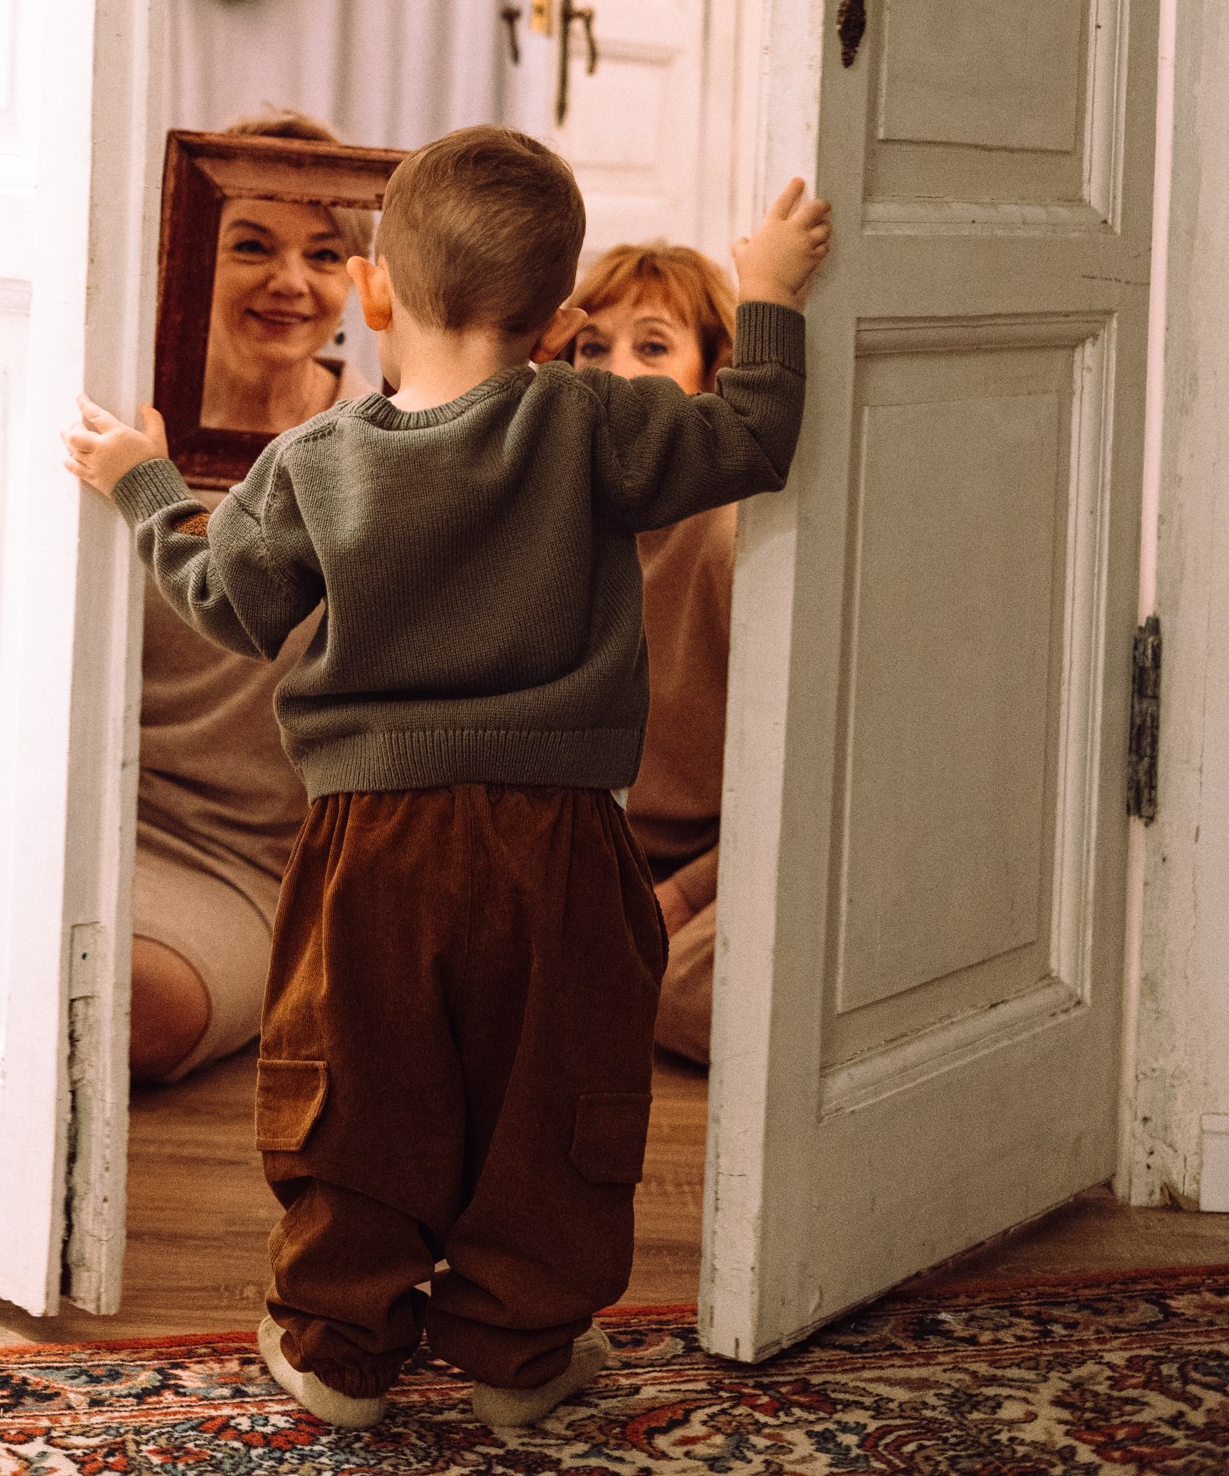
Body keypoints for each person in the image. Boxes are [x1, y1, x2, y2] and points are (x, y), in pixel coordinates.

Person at [63, 125, 831, 1430]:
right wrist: (764, 290)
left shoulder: (315, 462)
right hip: (564, 837)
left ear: (373, 291)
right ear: (566, 319)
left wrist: (143, 487)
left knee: (360, 1081)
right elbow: (753, 437)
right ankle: (518, 1351)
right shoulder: (597, 422)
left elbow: (228, 604)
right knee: (554, 1086)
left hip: (375, 841)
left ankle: (338, 1345)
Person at [132, 110, 375, 1082]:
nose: (290, 281)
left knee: (140, 1013)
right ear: (188, 252)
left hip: (250, 861)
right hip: (89, 808)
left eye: (323, 253)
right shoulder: (131, 420)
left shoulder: (385, 438)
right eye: (251, 246)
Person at [570, 242, 737, 1066]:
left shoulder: (732, 538)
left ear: (710, 376)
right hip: (597, 854)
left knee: (676, 997)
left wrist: (681, 895)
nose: (614, 372)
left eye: (653, 346)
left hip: (727, 861)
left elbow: (802, 781)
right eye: (592, 348)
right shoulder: (554, 512)